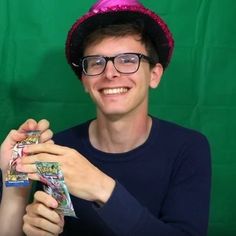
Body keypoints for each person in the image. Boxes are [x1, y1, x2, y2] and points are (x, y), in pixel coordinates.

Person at [1, 0, 211, 235]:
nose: (110, 73)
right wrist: (16, 185)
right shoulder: (58, 151)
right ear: (84, 81)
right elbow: (48, 223)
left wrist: (101, 187)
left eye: (128, 60)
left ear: (154, 74)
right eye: (96, 62)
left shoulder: (188, 148)